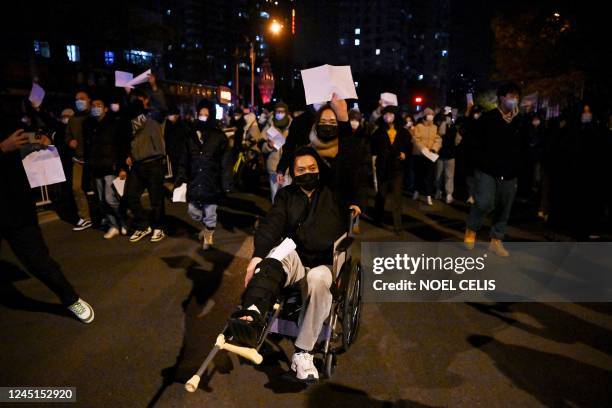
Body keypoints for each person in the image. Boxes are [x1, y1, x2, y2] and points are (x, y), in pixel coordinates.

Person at [228, 145, 359, 381]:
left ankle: (303, 352)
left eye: (312, 168)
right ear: (293, 172)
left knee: (317, 278)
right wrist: (257, 256)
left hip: (326, 262)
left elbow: (350, 169)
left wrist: (355, 202)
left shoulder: (334, 191)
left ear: (320, 168)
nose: (307, 172)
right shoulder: (286, 195)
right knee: (273, 258)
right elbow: (272, 224)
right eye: (301, 169)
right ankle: (252, 313)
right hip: (297, 256)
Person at [0, 125, 94, 323]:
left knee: (39, 261)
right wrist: (2, 148)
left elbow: (39, 132)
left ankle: (71, 299)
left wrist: (43, 142)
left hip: (16, 208)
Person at [465, 82, 523, 256]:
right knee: (484, 202)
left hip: (510, 172)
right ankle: (472, 227)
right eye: (510, 96)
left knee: (504, 207)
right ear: (501, 98)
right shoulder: (488, 118)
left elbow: (524, 147)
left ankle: (496, 240)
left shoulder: (520, 121)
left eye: (516, 96)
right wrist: (478, 164)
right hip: (487, 170)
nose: (514, 100)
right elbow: (473, 143)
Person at [175, 99, 232, 250]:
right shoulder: (190, 135)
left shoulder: (219, 137)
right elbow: (183, 159)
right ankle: (206, 227)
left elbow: (226, 162)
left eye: (206, 114)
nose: (203, 117)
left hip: (212, 180)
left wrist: (226, 183)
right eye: (201, 114)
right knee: (193, 211)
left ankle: (209, 234)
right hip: (195, 180)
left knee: (210, 211)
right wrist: (181, 178)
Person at [124, 73, 168, 243]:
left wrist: (155, 88)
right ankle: (143, 226)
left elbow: (163, 107)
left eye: (140, 99)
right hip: (137, 164)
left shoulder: (154, 115)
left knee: (156, 200)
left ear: (146, 100)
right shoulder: (130, 118)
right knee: (130, 196)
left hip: (154, 162)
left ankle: (158, 227)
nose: (137, 101)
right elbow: (129, 140)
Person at [83, 98, 129, 239]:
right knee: (102, 201)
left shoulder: (113, 123)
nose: (96, 108)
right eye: (94, 105)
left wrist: (121, 167)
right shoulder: (89, 125)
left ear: (105, 109)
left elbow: (121, 146)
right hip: (96, 168)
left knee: (110, 198)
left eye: (99, 105)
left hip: (111, 167)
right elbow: (88, 148)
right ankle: (113, 225)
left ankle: (123, 221)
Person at [371, 105, 412, 233]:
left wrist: (405, 154)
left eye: (390, 114)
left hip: (397, 168)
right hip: (382, 168)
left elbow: (409, 147)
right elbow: (373, 148)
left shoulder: (404, 132)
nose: (388, 117)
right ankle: (377, 218)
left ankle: (398, 225)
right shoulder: (378, 132)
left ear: (395, 116)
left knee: (397, 197)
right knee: (381, 195)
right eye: (385, 114)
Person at [66, 90, 94, 231]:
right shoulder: (72, 119)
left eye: (82, 98)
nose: (79, 101)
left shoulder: (94, 115)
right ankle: (85, 217)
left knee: (98, 188)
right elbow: (68, 136)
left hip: (94, 158)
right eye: (77, 99)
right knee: (76, 187)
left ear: (89, 99)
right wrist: (70, 141)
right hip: (78, 158)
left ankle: (110, 216)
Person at [410, 107, 441, 205]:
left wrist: (434, 149)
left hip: (430, 155)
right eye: (429, 114)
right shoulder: (419, 126)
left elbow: (438, 139)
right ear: (425, 115)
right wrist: (423, 149)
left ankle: (428, 195)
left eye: (432, 114)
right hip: (419, 155)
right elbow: (415, 139)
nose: (431, 116)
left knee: (429, 176)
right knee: (418, 174)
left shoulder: (435, 127)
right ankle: (416, 191)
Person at [262, 102, 292, 202]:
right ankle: (276, 216)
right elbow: (260, 145)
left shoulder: (293, 126)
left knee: (288, 196)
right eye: (278, 111)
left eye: (282, 111)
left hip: (288, 168)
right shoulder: (269, 126)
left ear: (287, 113)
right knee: (275, 196)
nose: (280, 113)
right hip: (273, 167)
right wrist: (268, 146)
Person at [435, 111, 462, 204]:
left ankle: (444, 193)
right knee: (443, 175)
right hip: (445, 155)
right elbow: (456, 141)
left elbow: (457, 140)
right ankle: (443, 192)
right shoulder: (446, 127)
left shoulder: (450, 127)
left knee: (445, 175)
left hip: (446, 155)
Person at [164, 106, 189, 180]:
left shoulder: (183, 125)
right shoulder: (168, 125)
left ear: (177, 115)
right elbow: (166, 138)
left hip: (181, 153)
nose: (170, 117)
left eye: (172, 115)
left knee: (181, 170)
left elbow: (185, 139)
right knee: (175, 170)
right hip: (172, 153)